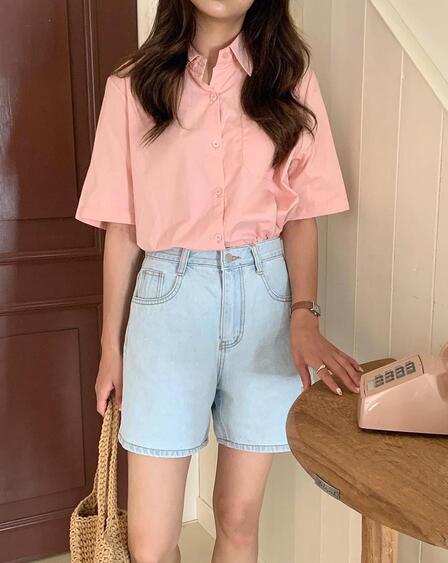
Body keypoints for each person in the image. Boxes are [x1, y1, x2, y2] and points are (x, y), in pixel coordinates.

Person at [75, 1, 364, 562]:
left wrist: (304, 314)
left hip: (265, 301)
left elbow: (301, 216)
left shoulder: (289, 79)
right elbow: (123, 227)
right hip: (169, 300)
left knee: (237, 518)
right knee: (150, 544)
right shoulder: (133, 86)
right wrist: (111, 347)